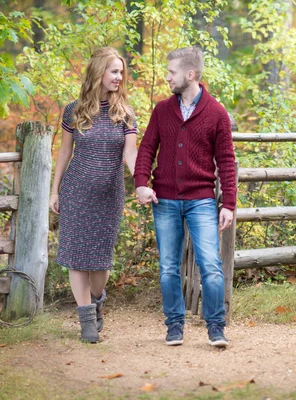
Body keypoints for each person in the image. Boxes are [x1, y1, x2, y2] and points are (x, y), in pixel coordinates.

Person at [134, 47, 237, 348]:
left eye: (171, 72)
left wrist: (228, 203)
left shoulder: (216, 113)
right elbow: (146, 150)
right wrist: (142, 183)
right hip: (164, 199)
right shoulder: (162, 110)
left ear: (189, 75)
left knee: (211, 265)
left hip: (202, 200)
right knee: (168, 266)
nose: (167, 77)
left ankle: (216, 327)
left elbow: (227, 161)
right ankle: (174, 326)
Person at [49, 47, 137, 343]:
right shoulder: (73, 110)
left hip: (109, 196)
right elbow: (64, 152)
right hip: (76, 192)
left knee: (100, 262)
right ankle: (86, 321)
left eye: (121, 72)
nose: (119, 77)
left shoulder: (124, 113)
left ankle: (97, 302)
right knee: (76, 258)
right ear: (99, 72)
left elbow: (131, 153)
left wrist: (143, 182)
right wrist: (55, 190)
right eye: (114, 71)